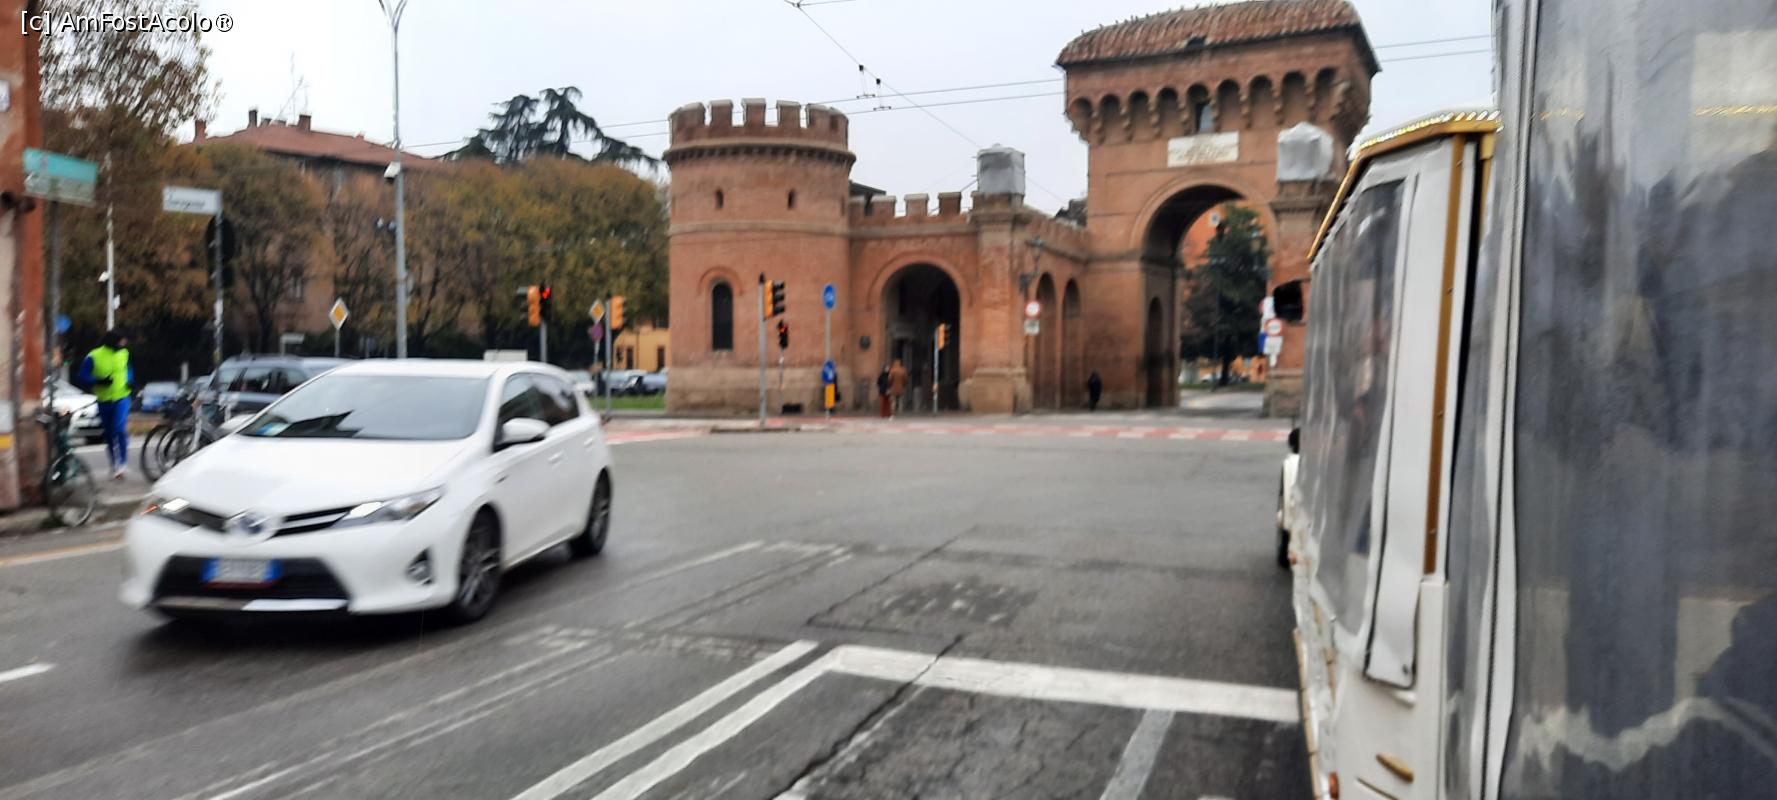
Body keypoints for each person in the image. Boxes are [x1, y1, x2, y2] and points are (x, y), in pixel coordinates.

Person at [77, 329, 134, 479]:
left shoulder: (124, 353)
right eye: (121, 342)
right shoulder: (93, 356)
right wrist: (98, 381)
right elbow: (82, 376)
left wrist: (130, 380)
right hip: (104, 400)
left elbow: (128, 369)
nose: (123, 344)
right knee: (109, 433)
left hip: (122, 397)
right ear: (112, 342)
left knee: (119, 429)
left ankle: (122, 464)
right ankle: (114, 463)